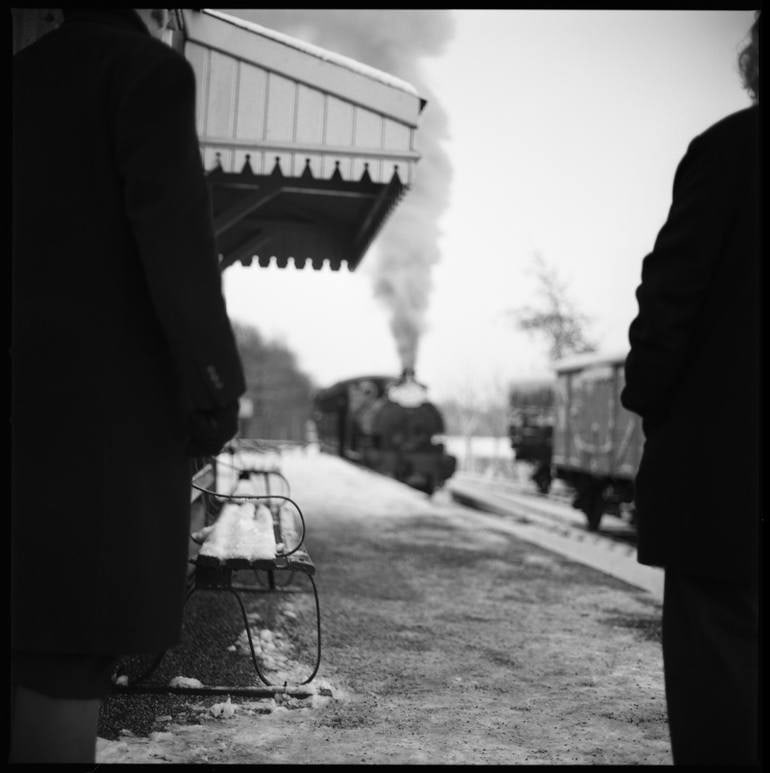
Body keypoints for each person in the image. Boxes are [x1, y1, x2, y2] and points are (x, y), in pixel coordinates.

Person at [11, 8, 246, 763]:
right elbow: (178, 247)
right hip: (91, 439)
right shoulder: (143, 75)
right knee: (62, 661)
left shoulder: (22, 77)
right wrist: (214, 391)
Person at [620, 12, 760, 766]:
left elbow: (668, 300)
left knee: (721, 692)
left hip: (728, 489)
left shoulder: (729, 152)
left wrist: (654, 402)